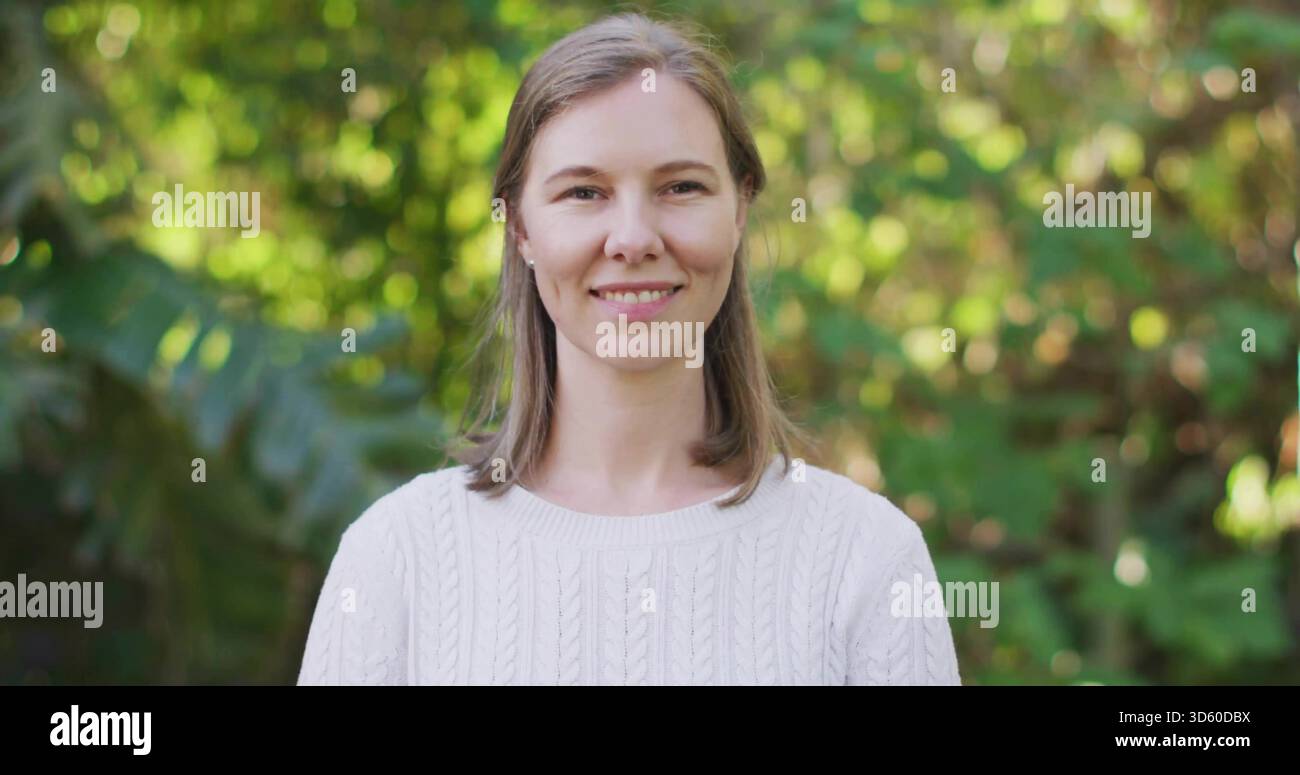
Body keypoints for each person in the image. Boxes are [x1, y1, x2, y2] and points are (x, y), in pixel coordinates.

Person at [297, 12, 960, 686]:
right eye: (584, 192)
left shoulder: (864, 559)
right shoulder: (396, 560)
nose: (634, 238)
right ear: (520, 227)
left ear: (738, 210)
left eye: (681, 187)